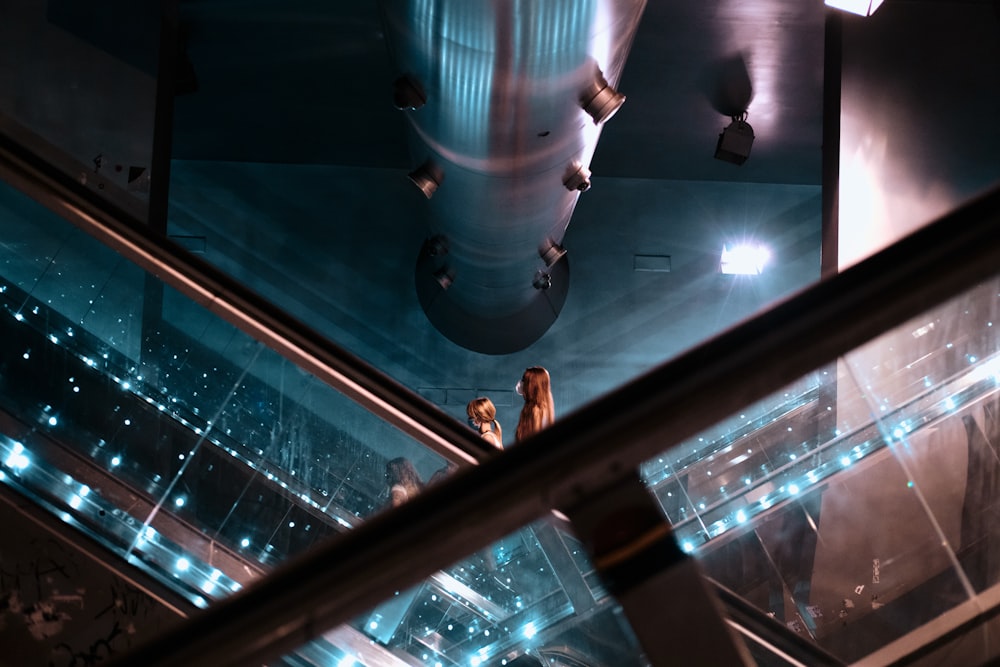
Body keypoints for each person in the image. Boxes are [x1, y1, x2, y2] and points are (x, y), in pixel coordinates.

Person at [515, 366, 555, 442]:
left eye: (524, 381)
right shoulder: (545, 407)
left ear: (531, 385)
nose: (521, 384)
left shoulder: (536, 411)